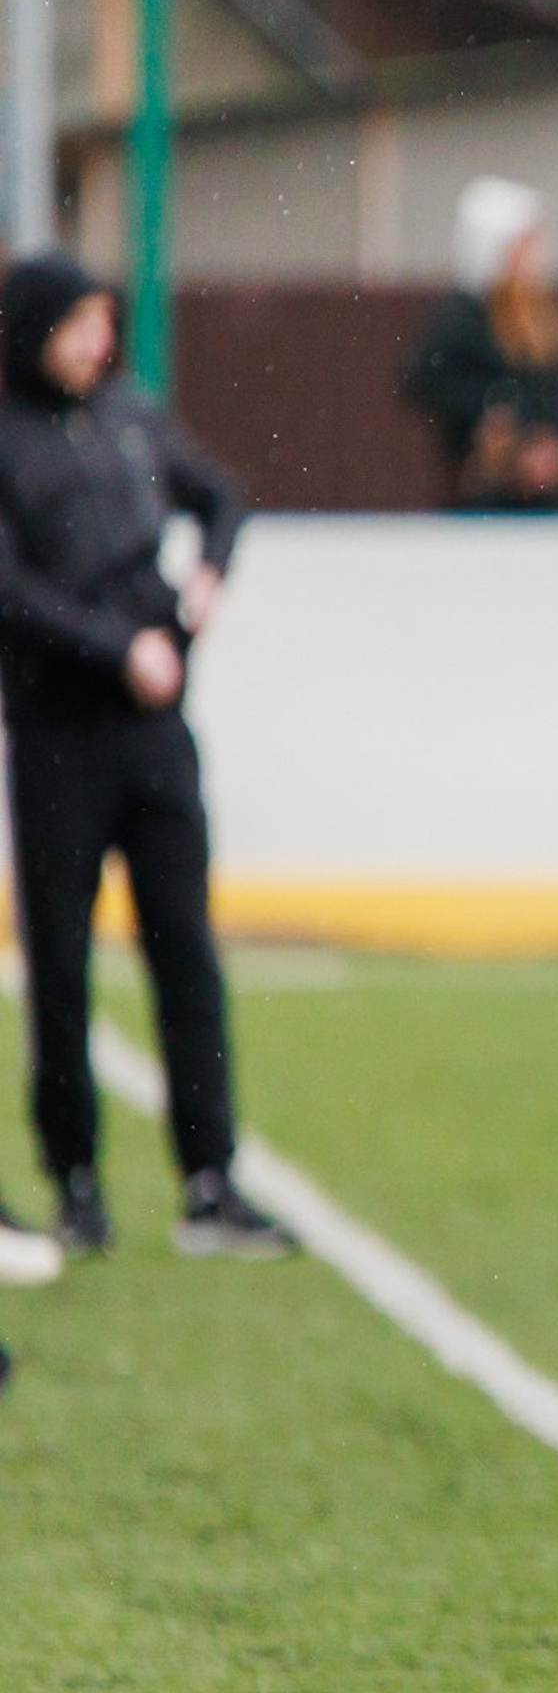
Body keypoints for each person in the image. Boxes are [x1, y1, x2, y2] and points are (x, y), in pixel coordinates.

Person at [0, 251, 295, 1262]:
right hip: (57, 737)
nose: (94, 340)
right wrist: (115, 647)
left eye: (101, 322)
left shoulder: (130, 415)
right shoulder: (6, 433)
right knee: (63, 962)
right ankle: (75, 1177)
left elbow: (221, 494)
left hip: (156, 736)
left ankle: (208, 1179)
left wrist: (208, 575)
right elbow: (13, 590)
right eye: (75, 322)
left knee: (185, 949)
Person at [401, 177, 558, 511]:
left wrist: (551, 438)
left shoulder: (544, 314)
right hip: (483, 500)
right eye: (523, 243)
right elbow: (426, 380)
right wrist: (496, 418)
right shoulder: (463, 317)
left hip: (545, 499)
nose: (535, 254)